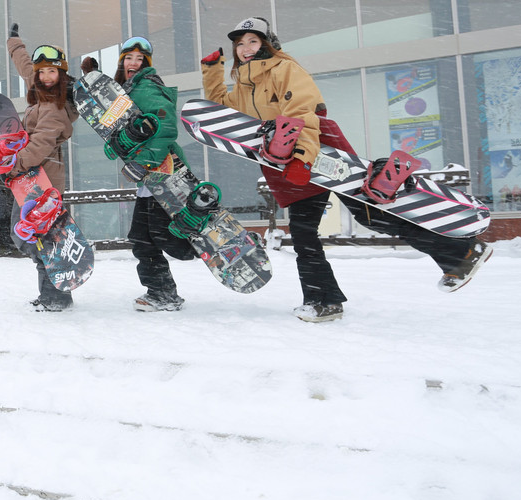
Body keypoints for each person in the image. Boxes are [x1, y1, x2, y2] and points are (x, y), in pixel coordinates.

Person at [201, 17, 492, 322]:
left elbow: (304, 111)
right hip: (281, 161)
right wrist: (212, 71)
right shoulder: (246, 85)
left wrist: (302, 157)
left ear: (267, 43)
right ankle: (323, 300)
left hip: (317, 150)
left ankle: (461, 254)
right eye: (240, 43)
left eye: (253, 41)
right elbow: (222, 108)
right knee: (304, 234)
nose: (246, 48)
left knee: (372, 215)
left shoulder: (284, 69)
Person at [83, 37, 197, 311]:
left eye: (139, 59)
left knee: (161, 236)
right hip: (150, 180)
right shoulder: (125, 90)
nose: (133, 63)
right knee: (141, 238)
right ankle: (162, 292)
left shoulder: (148, 87)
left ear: (146, 64)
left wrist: (144, 162)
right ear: (121, 62)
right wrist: (89, 80)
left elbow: (166, 128)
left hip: (163, 172)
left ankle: (196, 242)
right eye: (128, 58)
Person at [4, 23, 80, 311]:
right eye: (42, 71)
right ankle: (52, 292)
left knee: (38, 237)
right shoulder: (40, 91)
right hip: (31, 179)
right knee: (30, 235)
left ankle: (56, 295)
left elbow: (39, 146)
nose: (46, 77)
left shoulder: (55, 107)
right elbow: (25, 67)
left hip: (43, 181)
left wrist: (13, 166)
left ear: (61, 74)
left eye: (52, 71)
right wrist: (14, 43)